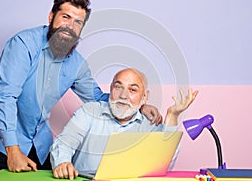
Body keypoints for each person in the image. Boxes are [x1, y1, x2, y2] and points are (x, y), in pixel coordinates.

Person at [0, 0, 162, 172]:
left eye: (78, 22)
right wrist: (12, 149)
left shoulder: (77, 64)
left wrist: (135, 105)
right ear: (51, 17)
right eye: (65, 17)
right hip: (3, 145)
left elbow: (97, 98)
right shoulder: (22, 45)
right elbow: (5, 98)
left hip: (40, 146)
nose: (70, 26)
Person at [50, 68, 198, 180]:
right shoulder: (88, 112)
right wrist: (62, 162)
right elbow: (64, 143)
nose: (123, 95)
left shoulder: (151, 123)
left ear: (144, 97)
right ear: (111, 89)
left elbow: (164, 164)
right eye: (118, 87)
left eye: (132, 90)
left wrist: (173, 116)